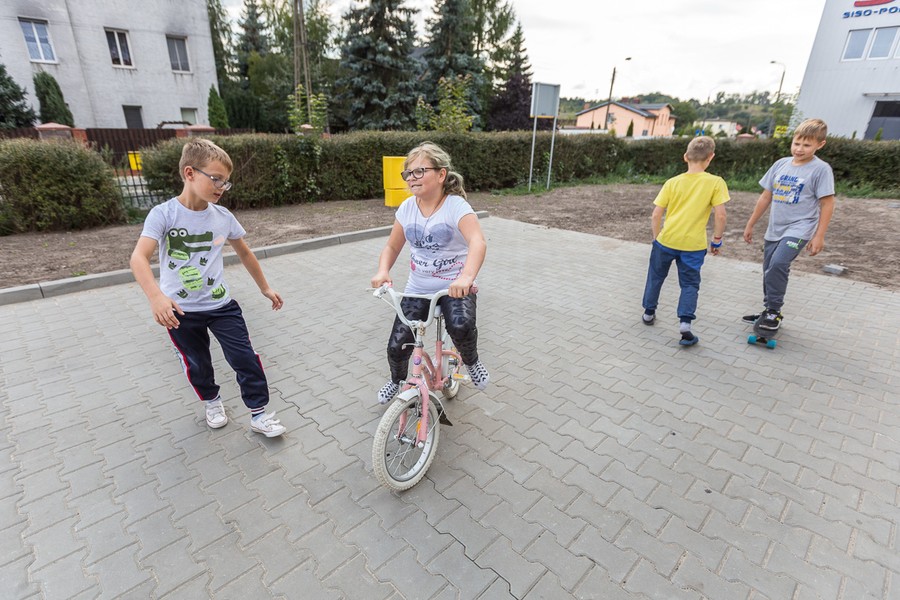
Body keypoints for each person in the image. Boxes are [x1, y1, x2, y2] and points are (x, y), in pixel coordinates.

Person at [130, 138, 286, 438]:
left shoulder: (223, 217)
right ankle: (212, 401)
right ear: (190, 173)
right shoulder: (164, 214)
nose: (221, 187)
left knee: (244, 358)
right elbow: (138, 257)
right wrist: (155, 297)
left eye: (225, 182)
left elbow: (245, 253)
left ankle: (259, 414)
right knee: (197, 364)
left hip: (221, 306)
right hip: (180, 311)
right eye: (215, 179)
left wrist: (265, 288)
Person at [371, 141, 489, 404]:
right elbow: (392, 245)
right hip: (418, 289)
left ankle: (472, 362)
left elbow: (477, 242)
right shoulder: (407, 208)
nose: (412, 178)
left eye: (419, 171)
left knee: (461, 326)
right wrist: (383, 270)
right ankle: (396, 380)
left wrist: (466, 277)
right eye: (408, 173)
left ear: (441, 174)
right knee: (397, 345)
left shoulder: (455, 206)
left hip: (454, 286)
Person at [742, 118, 835, 331]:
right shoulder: (780, 164)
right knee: (769, 269)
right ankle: (769, 310)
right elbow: (765, 197)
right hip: (775, 228)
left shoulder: (821, 169)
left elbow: (827, 203)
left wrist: (819, 235)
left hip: (800, 228)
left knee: (778, 264)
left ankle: (774, 311)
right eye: (797, 143)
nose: (799, 149)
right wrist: (750, 224)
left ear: (820, 145)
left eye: (807, 145)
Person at [641, 136, 729, 346]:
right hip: (693, 246)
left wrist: (656, 239)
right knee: (690, 284)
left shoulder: (672, 182)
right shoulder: (716, 182)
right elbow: (721, 215)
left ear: (685, 157)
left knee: (656, 276)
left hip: (666, 240)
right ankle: (685, 324)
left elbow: (656, 215)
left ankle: (648, 313)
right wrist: (716, 240)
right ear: (710, 158)